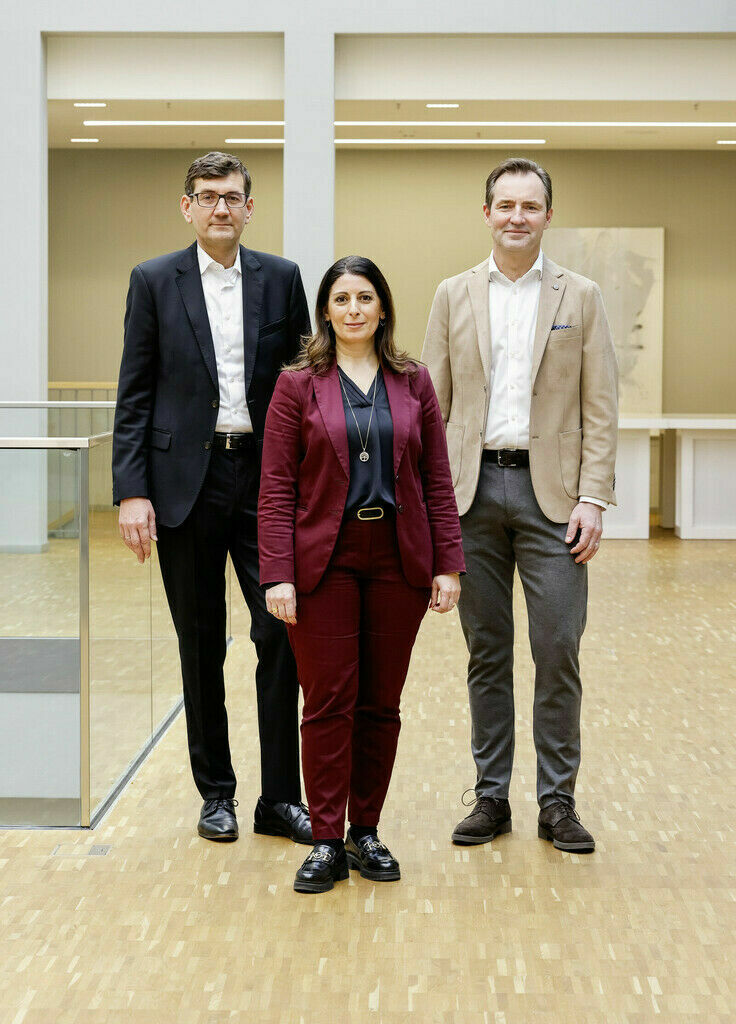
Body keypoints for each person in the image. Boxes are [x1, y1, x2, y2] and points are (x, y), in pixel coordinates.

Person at [112, 151, 312, 846]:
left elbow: (303, 388)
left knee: (280, 635)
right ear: (187, 207)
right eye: (206, 196)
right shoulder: (153, 281)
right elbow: (134, 392)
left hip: (265, 484)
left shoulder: (283, 281)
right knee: (199, 643)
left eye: (231, 197)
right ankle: (217, 793)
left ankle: (280, 798)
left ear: (250, 207)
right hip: (181, 489)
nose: (220, 208)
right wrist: (132, 490)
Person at [422, 158, 618, 854]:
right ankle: (493, 795)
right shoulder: (453, 294)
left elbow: (600, 405)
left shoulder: (581, 296)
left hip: (554, 501)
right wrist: (430, 508)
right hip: (470, 496)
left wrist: (594, 496)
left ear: (547, 215)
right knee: (487, 653)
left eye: (529, 206)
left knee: (558, 648)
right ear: (486, 214)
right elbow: (430, 408)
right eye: (504, 205)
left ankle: (558, 802)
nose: (515, 217)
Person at [258, 256, 465, 893]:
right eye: (341, 298)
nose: (353, 309)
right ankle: (324, 838)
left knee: (380, 705)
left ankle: (364, 831)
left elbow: (436, 479)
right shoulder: (297, 385)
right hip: (325, 561)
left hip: (398, 560)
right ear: (326, 310)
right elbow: (275, 488)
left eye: (365, 298)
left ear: (383, 309)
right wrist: (277, 575)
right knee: (326, 704)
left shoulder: (415, 382)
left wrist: (449, 562)